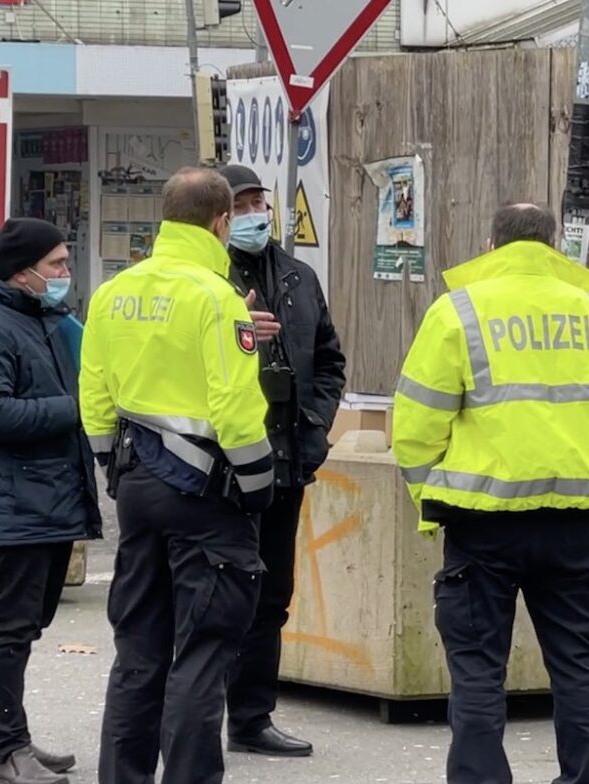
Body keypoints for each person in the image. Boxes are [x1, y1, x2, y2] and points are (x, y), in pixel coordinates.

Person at [392, 202, 589, 784]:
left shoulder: (457, 313)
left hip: (481, 521)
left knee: (479, 670)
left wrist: (427, 501)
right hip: (574, 524)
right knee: (575, 666)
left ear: (491, 245)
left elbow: (414, 427)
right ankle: (580, 778)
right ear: (554, 247)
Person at [81, 167, 275, 784]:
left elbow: (94, 392)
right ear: (220, 223)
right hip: (207, 496)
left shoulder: (115, 291)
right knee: (203, 653)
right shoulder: (216, 298)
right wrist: (259, 483)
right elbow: (236, 408)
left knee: (138, 651)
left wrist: (111, 461)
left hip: (138, 485)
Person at [0, 217, 102, 784]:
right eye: (56, 264)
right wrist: (77, 408)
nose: (64, 274)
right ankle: (10, 747)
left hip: (48, 494)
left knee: (29, 622)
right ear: (23, 270)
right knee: (9, 628)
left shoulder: (37, 316)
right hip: (14, 498)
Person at [219, 165, 346, 758]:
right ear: (220, 215)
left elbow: (328, 359)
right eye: (240, 205)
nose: (254, 215)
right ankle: (196, 715)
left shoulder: (297, 276)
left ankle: (251, 718)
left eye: (258, 203)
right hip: (223, 466)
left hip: (287, 458)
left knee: (273, 595)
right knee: (221, 594)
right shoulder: (208, 278)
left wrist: (316, 425)